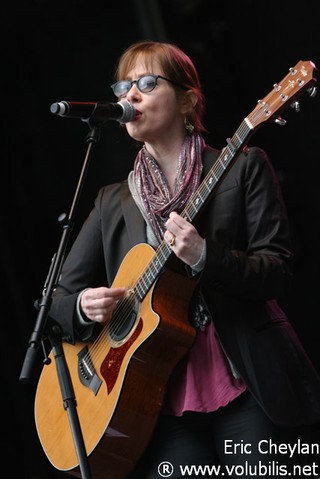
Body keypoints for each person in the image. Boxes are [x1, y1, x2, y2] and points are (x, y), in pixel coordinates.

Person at [48, 40, 320, 479]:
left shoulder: (243, 168)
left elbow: (278, 272)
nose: (129, 97)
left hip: (248, 384)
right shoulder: (111, 203)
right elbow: (55, 304)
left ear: (187, 100)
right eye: (124, 86)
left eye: (147, 83)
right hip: (155, 403)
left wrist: (205, 256)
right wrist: (82, 305)